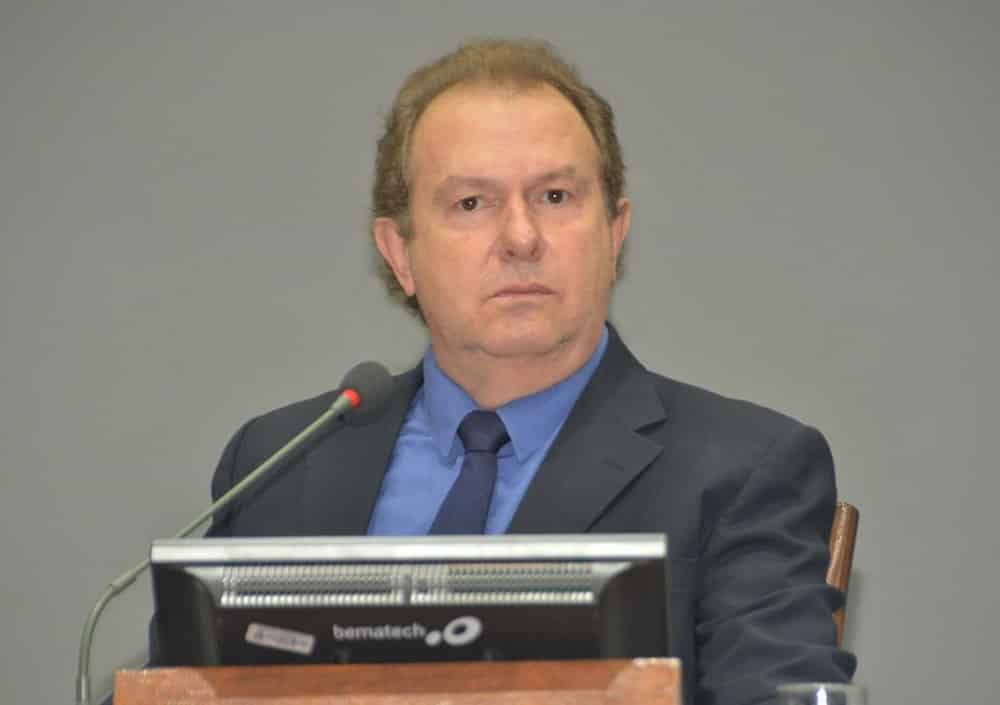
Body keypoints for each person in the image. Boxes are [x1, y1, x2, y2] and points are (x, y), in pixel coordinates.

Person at [206, 39, 857, 705]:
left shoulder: (740, 471)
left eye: (554, 195)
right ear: (400, 254)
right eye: (471, 203)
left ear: (614, 233)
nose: (521, 238)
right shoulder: (278, 465)